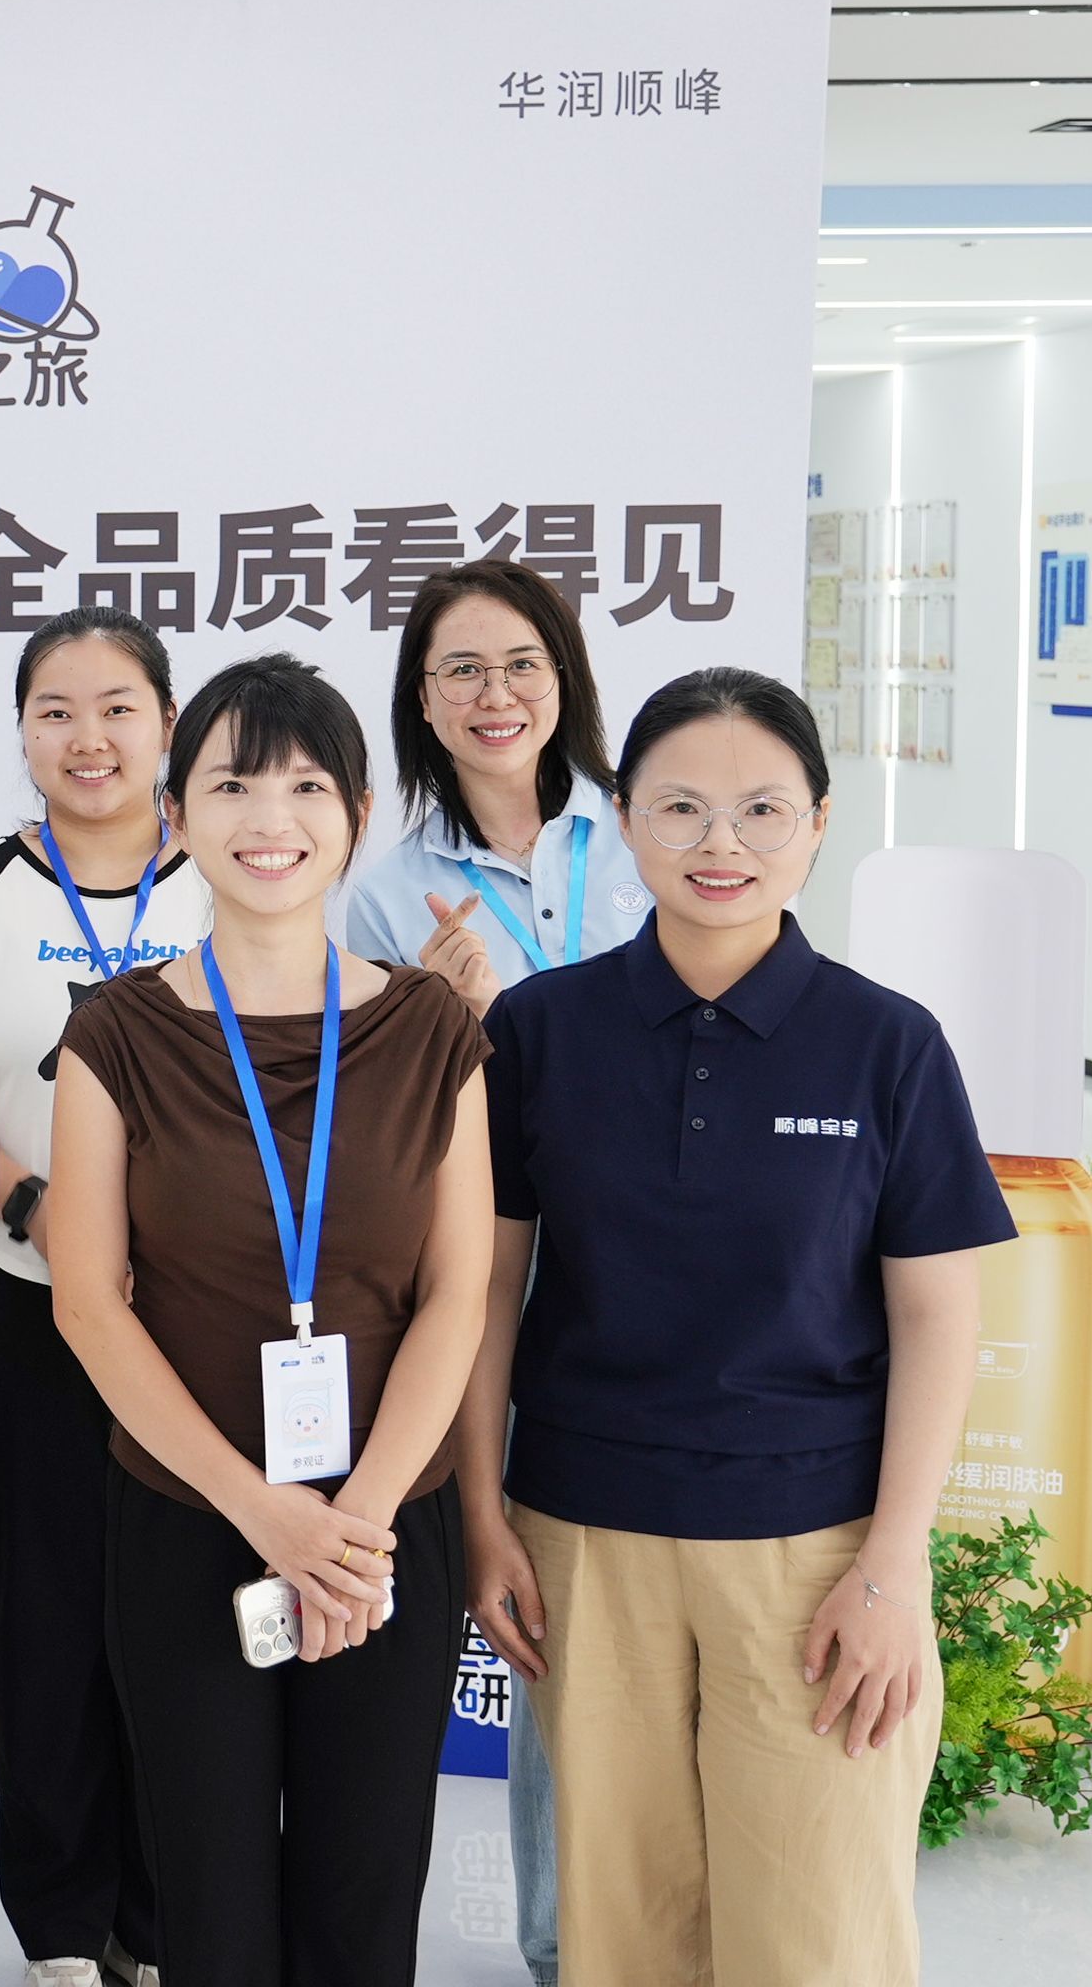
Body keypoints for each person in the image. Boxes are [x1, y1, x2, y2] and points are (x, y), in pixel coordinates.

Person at [458, 668, 1010, 1987]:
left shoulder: (888, 1044)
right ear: (624, 818)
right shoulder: (541, 1029)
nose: (722, 843)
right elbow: (483, 1289)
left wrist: (895, 1566)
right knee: (620, 1932)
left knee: (818, 1932)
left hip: (815, 1553)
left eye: (762, 808)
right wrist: (481, 1515)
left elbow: (939, 1317)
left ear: (818, 822)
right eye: (681, 807)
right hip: (588, 1541)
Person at [50, 653, 493, 1987]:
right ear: (176, 813)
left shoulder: (431, 1030)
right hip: (189, 1520)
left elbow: (458, 1290)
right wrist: (264, 1512)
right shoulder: (117, 1034)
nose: (270, 819)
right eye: (233, 784)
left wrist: (352, 1522)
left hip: (385, 1528)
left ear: (357, 813)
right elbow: (88, 1302)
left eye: (305, 786)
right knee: (211, 1904)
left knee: (364, 1897)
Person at [341, 555, 647, 1986]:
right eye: (459, 669)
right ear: (421, 699)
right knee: (553, 1624)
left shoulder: (649, 831)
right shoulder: (385, 893)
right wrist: (441, 1027)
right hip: (507, 1277)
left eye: (520, 662)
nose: (494, 693)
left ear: (563, 676)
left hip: (674, 1265)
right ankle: (562, 1945)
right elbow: (367, 1125)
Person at [0, 607, 200, 1987]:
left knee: (181, 1618)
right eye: (57, 710)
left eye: (119, 707)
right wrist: (39, 1209)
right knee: (42, 1622)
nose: (89, 738)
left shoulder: (231, 876)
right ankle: (64, 1930)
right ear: (21, 730)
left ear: (168, 724)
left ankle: (161, 1919)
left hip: (195, 1317)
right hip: (20, 1309)